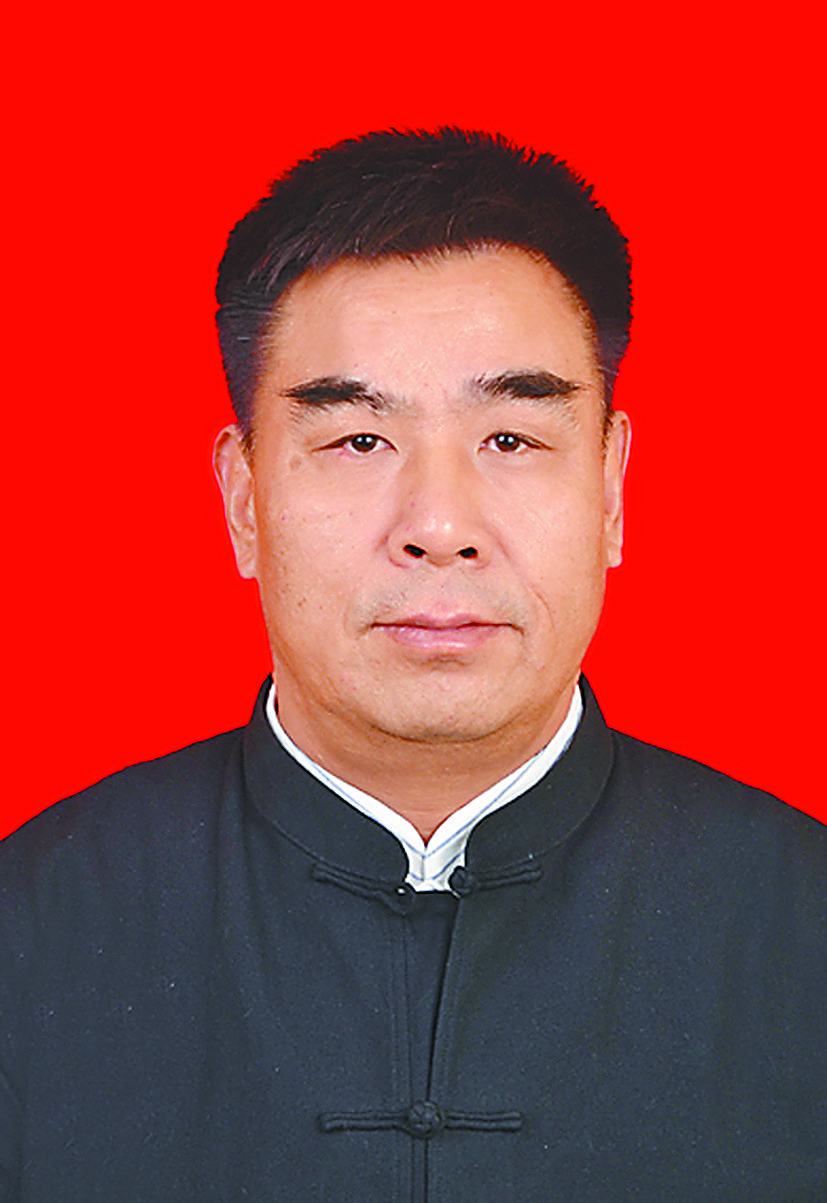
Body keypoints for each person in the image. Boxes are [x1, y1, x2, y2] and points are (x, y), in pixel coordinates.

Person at [1, 128, 825, 1202]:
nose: (438, 527)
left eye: (510, 439)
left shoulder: (800, 922)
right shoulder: (32, 926)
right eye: (358, 441)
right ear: (243, 500)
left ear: (611, 487)